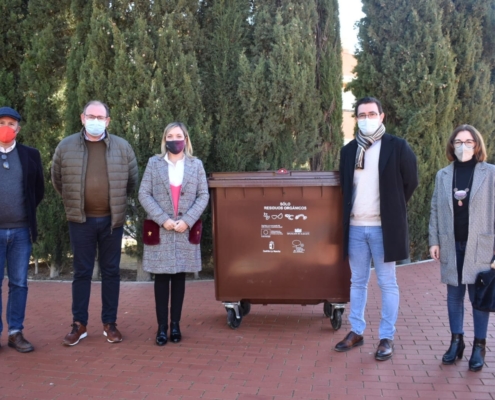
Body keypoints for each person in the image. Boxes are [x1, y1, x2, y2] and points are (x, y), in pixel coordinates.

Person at [335, 97, 418, 360]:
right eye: (361, 115)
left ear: (382, 116)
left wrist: (393, 208)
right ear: (356, 118)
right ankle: (356, 331)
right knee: (357, 281)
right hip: (356, 228)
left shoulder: (397, 147)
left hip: (384, 228)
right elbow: (345, 188)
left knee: (387, 283)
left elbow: (411, 182)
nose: (367, 118)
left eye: (372, 113)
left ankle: (386, 337)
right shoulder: (349, 151)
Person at [51, 100, 138, 346]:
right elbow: (58, 180)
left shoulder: (122, 147)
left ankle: (110, 323)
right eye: (92, 116)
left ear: (108, 121)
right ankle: (79, 324)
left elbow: (130, 181)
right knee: (81, 272)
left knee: (111, 272)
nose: (96, 121)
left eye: (101, 117)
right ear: (82, 118)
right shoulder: (66, 146)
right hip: (80, 221)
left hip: (112, 221)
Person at [429, 124, 494, 372]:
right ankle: (457, 342)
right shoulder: (443, 174)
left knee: (478, 298)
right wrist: (434, 240)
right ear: (451, 145)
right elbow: (435, 208)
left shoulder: (491, 173)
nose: (463, 146)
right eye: (458, 142)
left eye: (468, 142)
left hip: (481, 245)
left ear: (477, 145)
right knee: (454, 297)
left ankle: (479, 345)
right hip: (451, 242)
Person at [139, 122, 209, 346]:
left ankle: (176, 325)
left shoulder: (196, 165)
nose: (174, 139)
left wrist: (187, 221)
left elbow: (203, 195)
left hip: (184, 230)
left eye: (178, 135)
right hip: (162, 229)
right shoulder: (154, 163)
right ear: (164, 140)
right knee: (161, 278)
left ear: (186, 139)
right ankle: (162, 328)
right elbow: (144, 194)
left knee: (179, 278)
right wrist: (163, 219)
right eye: (169, 135)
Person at [0, 106, 44, 353]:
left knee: (19, 284)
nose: (6, 127)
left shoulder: (30, 155)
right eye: (1, 122)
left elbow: (37, 190)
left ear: (18, 128)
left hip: (20, 233)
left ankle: (15, 332)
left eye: (11, 123)